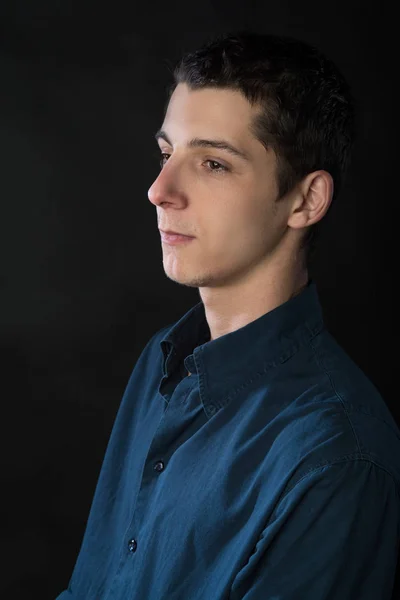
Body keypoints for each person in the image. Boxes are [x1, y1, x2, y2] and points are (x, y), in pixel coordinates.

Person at [56, 30, 400, 599]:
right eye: (168, 154)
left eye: (213, 163)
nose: (159, 189)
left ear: (306, 200)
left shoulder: (338, 459)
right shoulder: (161, 362)